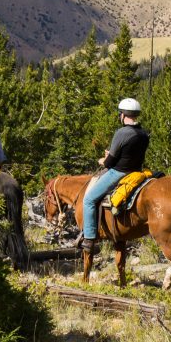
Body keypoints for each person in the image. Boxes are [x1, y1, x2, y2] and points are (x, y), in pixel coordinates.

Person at [68, 98, 149, 251]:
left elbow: (109, 162)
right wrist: (113, 154)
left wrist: (103, 160)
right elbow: (130, 154)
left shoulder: (122, 133)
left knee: (89, 199)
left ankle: (90, 238)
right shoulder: (144, 134)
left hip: (119, 173)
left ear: (123, 115)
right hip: (137, 172)